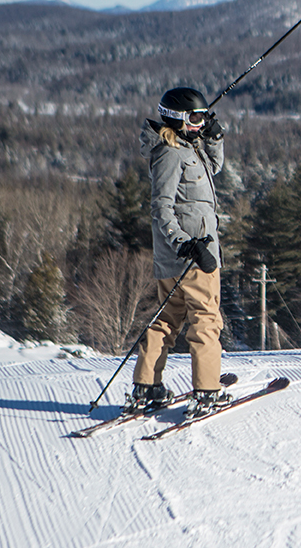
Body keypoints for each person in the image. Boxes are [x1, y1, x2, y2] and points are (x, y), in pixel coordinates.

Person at [129, 87, 230, 418]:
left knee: (168, 320)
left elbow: (210, 170)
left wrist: (214, 138)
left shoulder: (186, 147)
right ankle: (206, 391)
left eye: (204, 118)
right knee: (206, 320)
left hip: (178, 257)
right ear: (177, 118)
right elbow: (161, 207)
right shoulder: (171, 154)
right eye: (196, 118)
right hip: (192, 255)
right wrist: (185, 243)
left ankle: (146, 386)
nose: (201, 124)